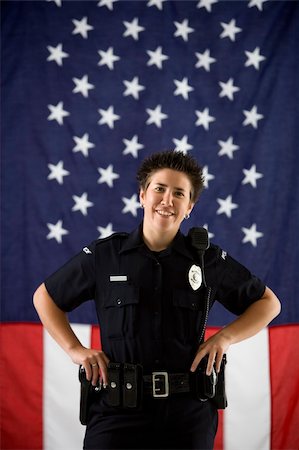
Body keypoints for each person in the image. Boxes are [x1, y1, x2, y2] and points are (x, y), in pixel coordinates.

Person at [33, 150, 281, 450]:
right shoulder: (105, 256)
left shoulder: (207, 260)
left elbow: (269, 303)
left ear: (189, 206)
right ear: (142, 195)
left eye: (179, 193)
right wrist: (74, 349)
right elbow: (45, 297)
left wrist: (225, 338)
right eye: (159, 189)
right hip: (117, 411)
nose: (167, 200)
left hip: (187, 415)